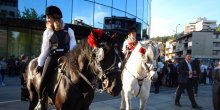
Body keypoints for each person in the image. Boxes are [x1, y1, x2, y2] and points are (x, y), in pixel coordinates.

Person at [35, 5, 77, 110]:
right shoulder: (47, 32)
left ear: (56, 17)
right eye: (47, 17)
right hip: (52, 57)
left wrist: (71, 58)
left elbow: (73, 46)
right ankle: (41, 101)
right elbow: (44, 50)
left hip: (67, 57)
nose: (47, 19)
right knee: (43, 79)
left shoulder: (69, 30)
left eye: (49, 17)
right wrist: (40, 64)